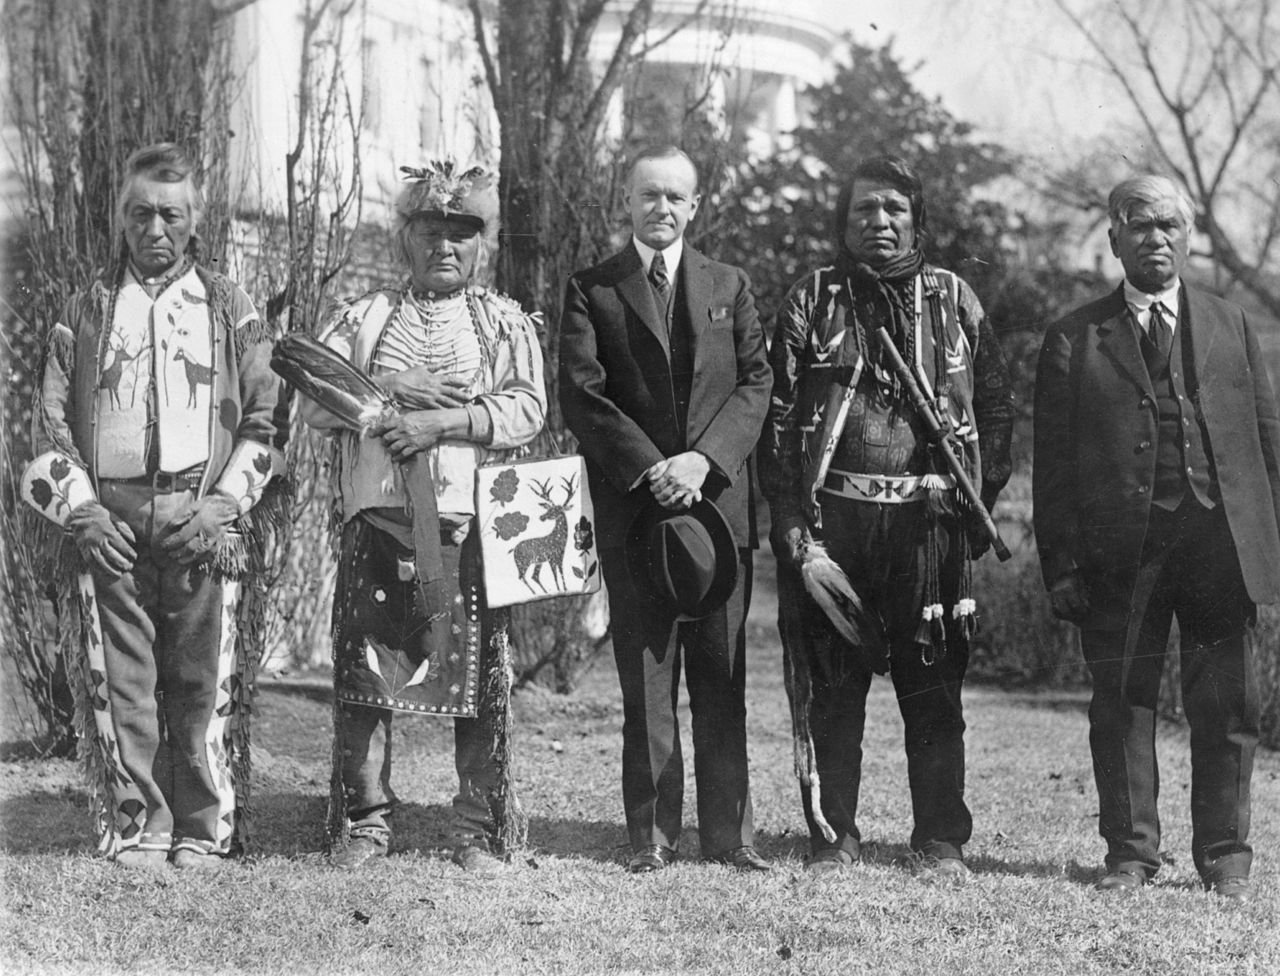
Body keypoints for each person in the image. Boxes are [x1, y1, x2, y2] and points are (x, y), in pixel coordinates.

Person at [21, 143, 289, 872]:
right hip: (109, 519)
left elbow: (265, 419)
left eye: (171, 214)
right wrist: (83, 512)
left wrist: (224, 506)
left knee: (203, 680)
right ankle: (141, 824)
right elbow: (48, 424)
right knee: (124, 678)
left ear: (195, 219)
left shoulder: (229, 307)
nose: (155, 229)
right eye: (140, 214)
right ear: (121, 219)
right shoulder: (85, 310)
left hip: (201, 516)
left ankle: (203, 828)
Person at [760, 155, 1014, 880]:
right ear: (844, 222)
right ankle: (834, 836)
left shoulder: (954, 299)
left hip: (929, 528)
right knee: (834, 692)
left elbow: (997, 408)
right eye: (865, 209)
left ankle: (939, 838)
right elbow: (777, 420)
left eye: (894, 209)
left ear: (916, 221)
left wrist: (975, 506)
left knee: (933, 691)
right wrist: (789, 520)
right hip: (835, 527)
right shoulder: (814, 298)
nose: (879, 221)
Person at [1033, 175, 1280, 902]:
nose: (1156, 237)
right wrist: (1061, 566)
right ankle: (1131, 854)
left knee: (1228, 704)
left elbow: (1268, 443)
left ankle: (1226, 856)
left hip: (1219, 546)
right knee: (1120, 703)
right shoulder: (1075, 336)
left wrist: (1271, 549)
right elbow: (1053, 468)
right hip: (1119, 554)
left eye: (1169, 224)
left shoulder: (1232, 323)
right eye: (1140, 224)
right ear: (1114, 238)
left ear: (1189, 235)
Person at [298, 161, 546, 872]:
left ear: (480, 244)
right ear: (405, 237)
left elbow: (528, 409)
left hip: (468, 532)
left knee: (477, 682)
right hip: (377, 525)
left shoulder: (502, 321)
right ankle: (365, 822)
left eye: (460, 234)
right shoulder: (363, 317)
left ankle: (474, 828)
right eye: (430, 231)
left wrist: (445, 422)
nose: (444, 246)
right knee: (365, 679)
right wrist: (387, 387)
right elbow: (314, 401)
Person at [559, 146, 773, 873]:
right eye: (649, 194)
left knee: (722, 677)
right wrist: (653, 468)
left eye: (675, 197)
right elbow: (582, 394)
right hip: (637, 514)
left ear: (695, 206)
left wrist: (703, 461)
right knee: (648, 681)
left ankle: (730, 836)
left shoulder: (730, 284)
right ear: (627, 201)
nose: (662, 208)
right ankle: (651, 836)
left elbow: (756, 384)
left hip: (718, 515)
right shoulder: (593, 289)